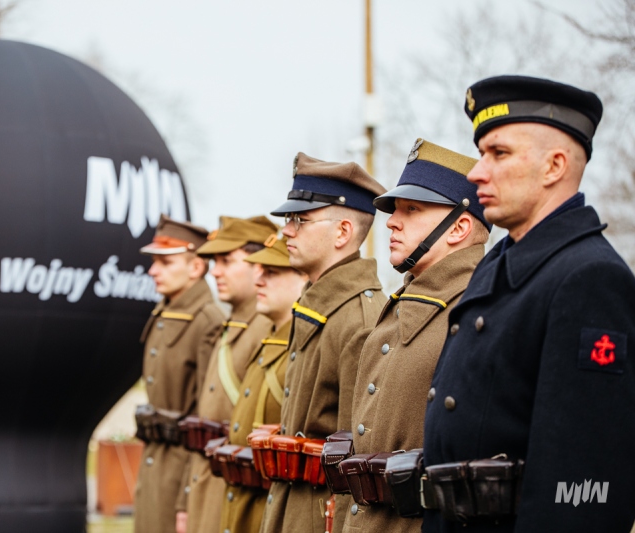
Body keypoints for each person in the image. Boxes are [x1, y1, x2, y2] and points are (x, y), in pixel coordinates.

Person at [422, 75, 635, 532]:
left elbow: (586, 486)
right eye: (481, 154)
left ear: (554, 166)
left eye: (498, 154)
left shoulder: (589, 278)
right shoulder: (499, 264)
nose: (477, 172)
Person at [338, 139, 490, 533]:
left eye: (412, 209)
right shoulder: (401, 305)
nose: (391, 221)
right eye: (395, 209)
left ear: (458, 227)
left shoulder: (481, 310)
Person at [259, 152, 388, 533]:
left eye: (300, 219)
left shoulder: (360, 321)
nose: (286, 230)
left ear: (343, 232)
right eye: (288, 219)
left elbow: (357, 462)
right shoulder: (320, 306)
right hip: (292, 510)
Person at [179, 216, 277, 533]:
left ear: (260, 263)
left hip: (238, 490)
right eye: (214, 261)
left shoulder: (269, 329)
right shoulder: (231, 324)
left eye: (226, 260)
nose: (215, 271)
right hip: (207, 485)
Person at [133, 214, 225, 533]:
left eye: (165, 262)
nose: (152, 270)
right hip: (155, 461)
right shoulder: (165, 312)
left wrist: (187, 498)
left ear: (196, 267)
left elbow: (207, 417)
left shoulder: (208, 320)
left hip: (181, 470)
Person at [218, 234, 308, 533]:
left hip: (272, 510)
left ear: (303, 278)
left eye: (272, 273)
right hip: (244, 506)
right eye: (258, 272)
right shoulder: (270, 340)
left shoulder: (300, 349)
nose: (259, 281)